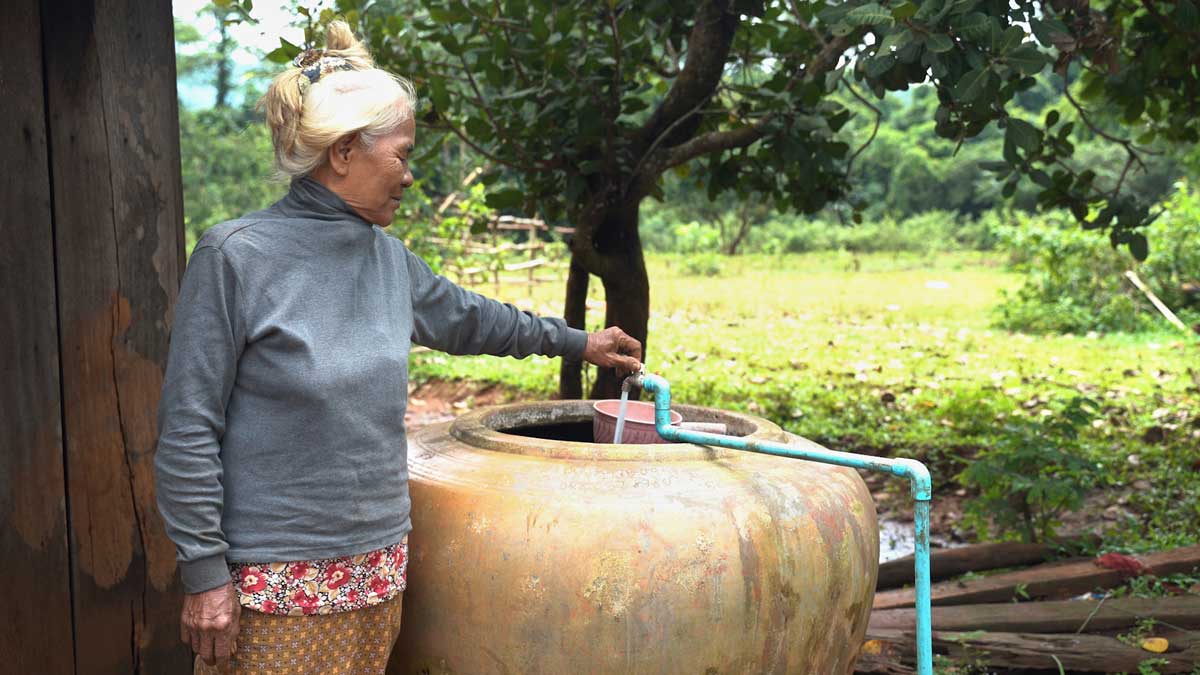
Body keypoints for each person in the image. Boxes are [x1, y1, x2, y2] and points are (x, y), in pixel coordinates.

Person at [154, 21, 642, 675]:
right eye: (402, 154)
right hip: (272, 580)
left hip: (378, 563)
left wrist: (579, 342)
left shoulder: (388, 260)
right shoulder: (236, 257)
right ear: (344, 151)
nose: (409, 176)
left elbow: (476, 320)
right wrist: (204, 573)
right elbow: (188, 429)